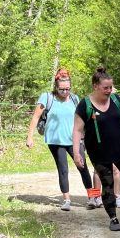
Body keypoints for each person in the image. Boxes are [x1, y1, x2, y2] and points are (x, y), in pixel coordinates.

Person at [72, 67, 120, 231]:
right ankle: (113, 218)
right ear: (95, 86)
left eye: (110, 87)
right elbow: (77, 130)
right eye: (105, 88)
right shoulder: (84, 105)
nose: (109, 91)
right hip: (99, 153)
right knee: (107, 185)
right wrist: (76, 152)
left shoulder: (116, 100)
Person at [26, 69, 96, 211]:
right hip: (55, 140)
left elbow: (84, 119)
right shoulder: (47, 97)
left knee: (83, 166)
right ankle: (67, 200)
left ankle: (92, 197)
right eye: (62, 89)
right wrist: (30, 137)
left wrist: (87, 136)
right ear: (56, 87)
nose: (65, 92)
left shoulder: (75, 99)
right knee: (63, 169)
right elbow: (35, 117)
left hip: (74, 140)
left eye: (67, 89)